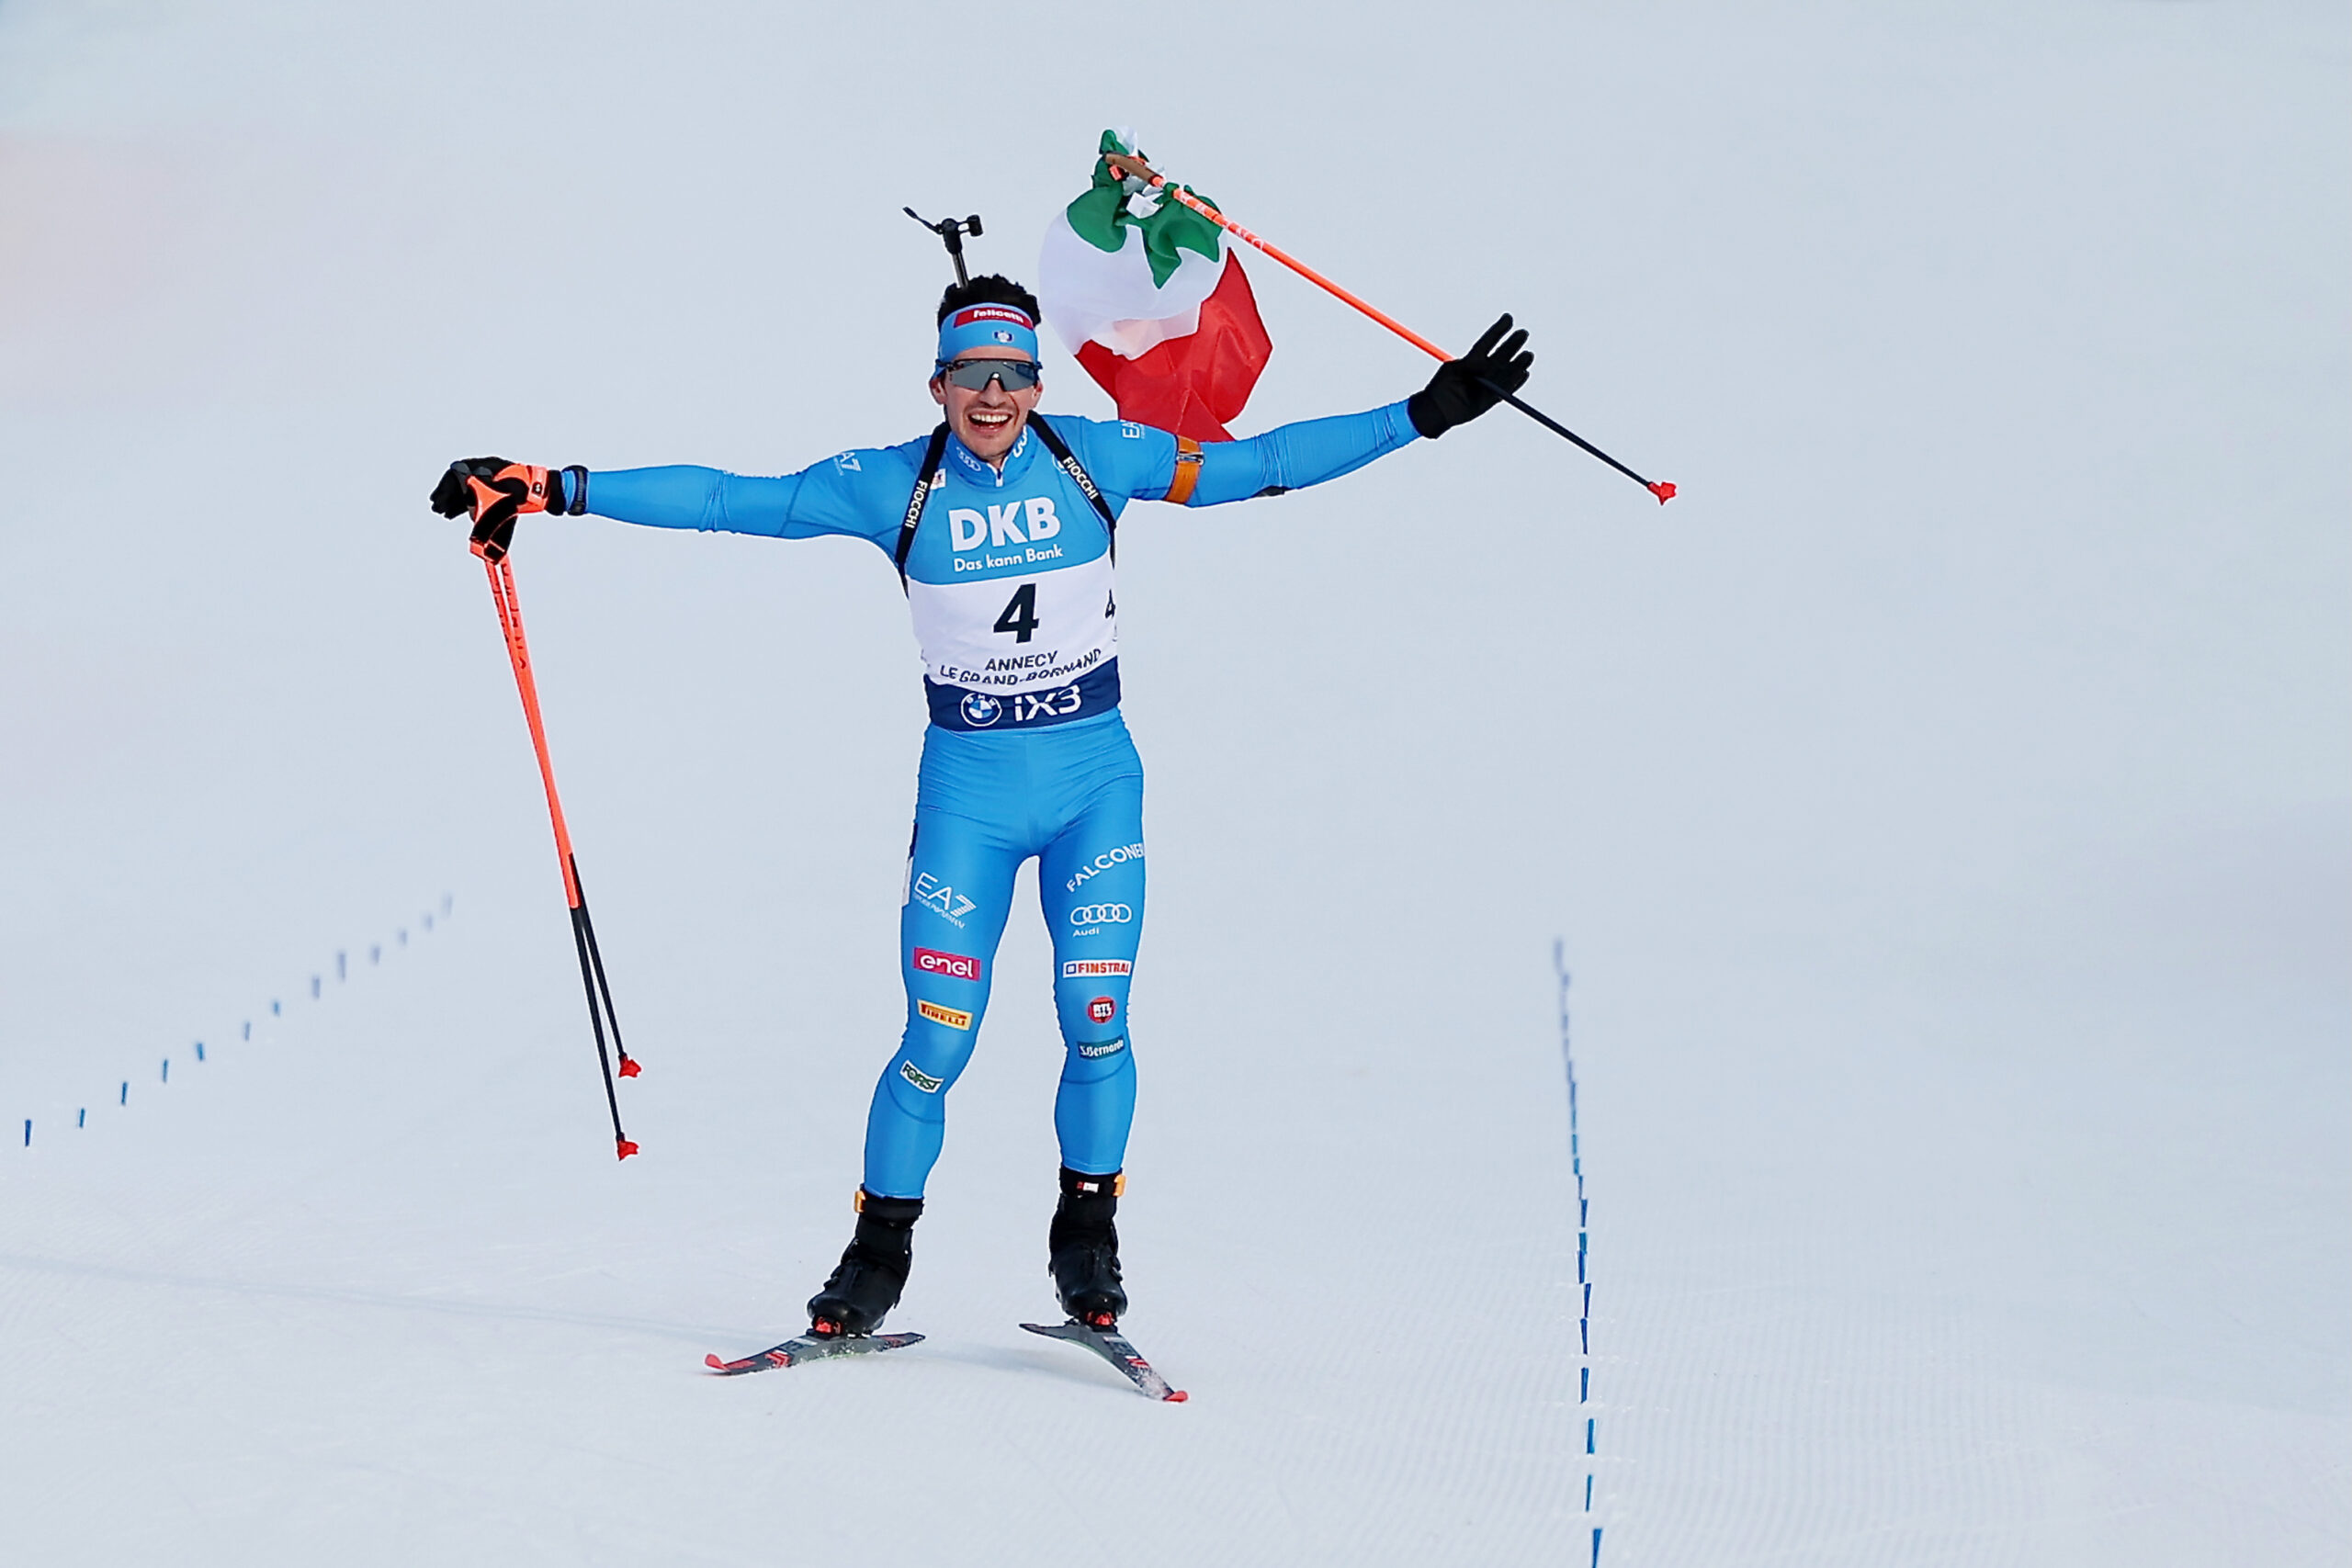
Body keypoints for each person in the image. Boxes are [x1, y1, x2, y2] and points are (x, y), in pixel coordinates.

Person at [430, 275, 1532, 1338]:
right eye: (971, 375)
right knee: (934, 1038)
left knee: (1095, 1022)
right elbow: (730, 499)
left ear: (1039, 385)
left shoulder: (1098, 457)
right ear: (938, 385)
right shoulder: (891, 485)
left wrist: (1424, 414)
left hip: (1093, 790)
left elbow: (1262, 467)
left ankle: (1086, 1238)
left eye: (1012, 375)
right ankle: (875, 1259)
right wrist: (553, 485)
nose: (992, 396)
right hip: (968, 797)